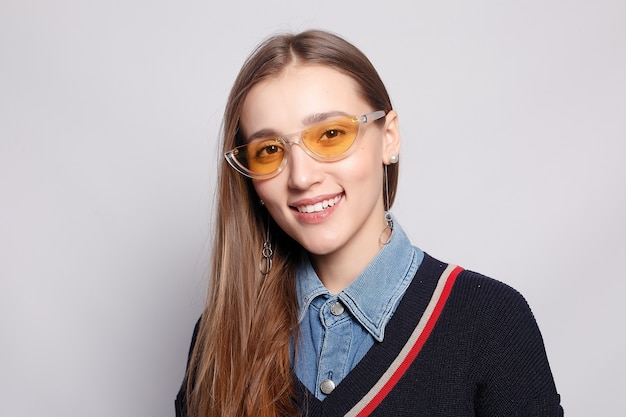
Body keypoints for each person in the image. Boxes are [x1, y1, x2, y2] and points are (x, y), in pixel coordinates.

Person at [175, 29, 563, 417]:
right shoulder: (219, 340)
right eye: (269, 150)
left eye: (330, 134)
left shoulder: (491, 322)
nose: (300, 177)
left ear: (389, 137)